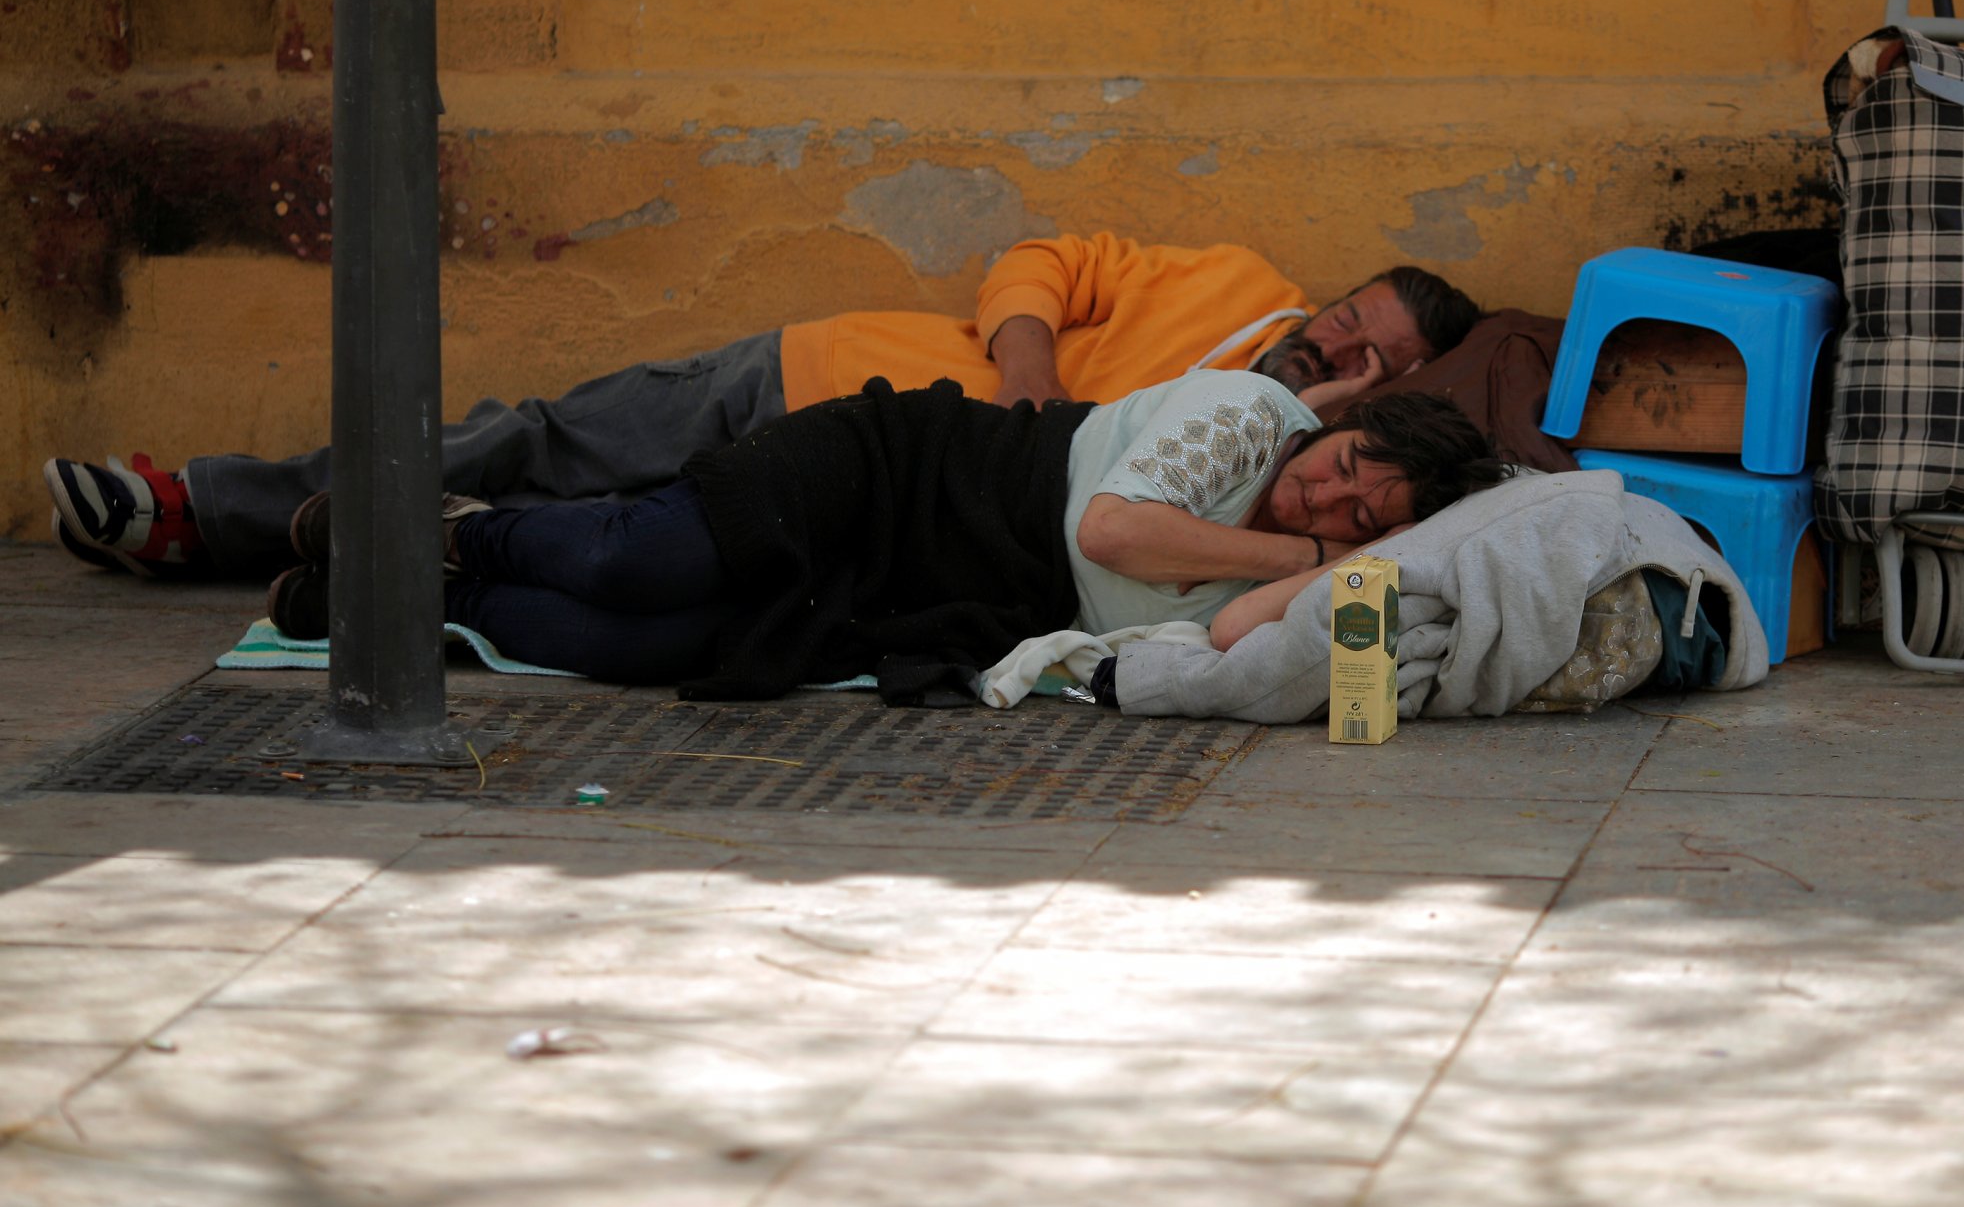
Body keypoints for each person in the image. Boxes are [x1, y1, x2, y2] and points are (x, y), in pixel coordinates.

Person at [42, 233, 1482, 581]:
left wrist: (1325, 399)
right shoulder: (1235, 276)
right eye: (1346, 312)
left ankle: (327, 553)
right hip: (817, 378)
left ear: (1396, 383)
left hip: (869, 496)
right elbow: (1040, 257)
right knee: (530, 438)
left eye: (1375, 351)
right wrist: (1029, 360)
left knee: (567, 527)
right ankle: (198, 506)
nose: (1336, 337)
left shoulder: (1296, 454)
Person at [268, 372, 1505, 699]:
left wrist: (1354, 574)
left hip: (930, 588)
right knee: (639, 561)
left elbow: (1233, 633)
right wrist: (1300, 557)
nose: (1326, 502)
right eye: (1345, 468)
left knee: (648, 645)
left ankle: (405, 604)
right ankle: (455, 533)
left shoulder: (1327, 558)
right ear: (1332, 431)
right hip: (901, 474)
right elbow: (1116, 529)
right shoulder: (1248, 417)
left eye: (1361, 516)